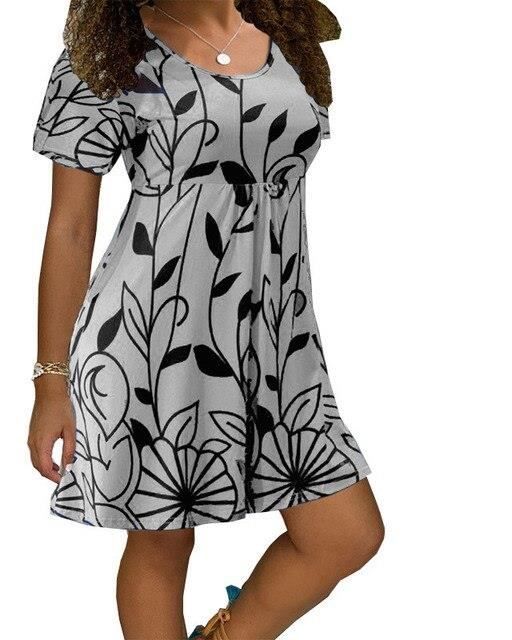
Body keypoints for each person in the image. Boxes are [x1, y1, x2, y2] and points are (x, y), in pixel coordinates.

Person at [28, 1, 384, 638]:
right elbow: (71, 226)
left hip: (278, 339)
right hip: (151, 333)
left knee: (347, 534)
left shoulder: (289, 38)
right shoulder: (110, 54)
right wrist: (50, 381)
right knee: (164, 542)